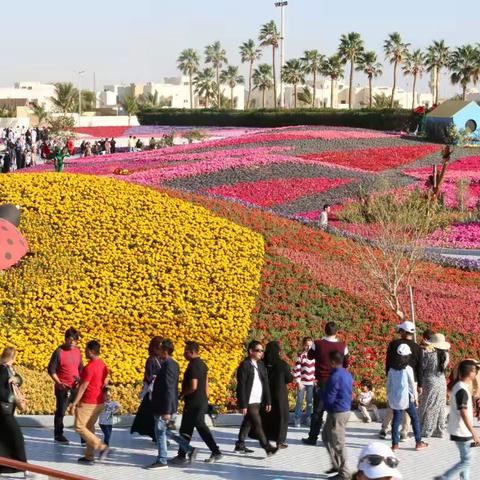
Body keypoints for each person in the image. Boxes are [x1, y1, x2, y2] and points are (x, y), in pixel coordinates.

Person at [147, 339, 197, 470]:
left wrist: (167, 411)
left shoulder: (169, 365)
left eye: (159, 349)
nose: (157, 352)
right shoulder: (171, 364)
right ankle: (189, 449)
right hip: (166, 405)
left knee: (160, 433)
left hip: (165, 407)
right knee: (166, 432)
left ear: (164, 350)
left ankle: (162, 460)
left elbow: (169, 388)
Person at [170, 341, 222, 464]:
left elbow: (193, 386)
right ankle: (182, 454)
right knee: (186, 428)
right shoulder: (203, 364)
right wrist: (206, 398)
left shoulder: (193, 366)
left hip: (193, 403)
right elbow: (206, 384)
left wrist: (183, 394)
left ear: (193, 352)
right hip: (201, 400)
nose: (184, 354)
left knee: (200, 426)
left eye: (186, 351)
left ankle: (216, 451)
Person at [303, 321, 349, 446]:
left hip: (322, 381)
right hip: (337, 381)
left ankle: (312, 438)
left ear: (325, 330)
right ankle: (333, 439)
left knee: (318, 411)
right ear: (337, 332)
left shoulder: (317, 344)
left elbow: (310, 356)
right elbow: (346, 363)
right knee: (335, 411)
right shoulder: (342, 346)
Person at [434, 359, 480, 480]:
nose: (476, 374)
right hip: (462, 431)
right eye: (476, 371)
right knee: (467, 461)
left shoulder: (459, 386)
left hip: (459, 429)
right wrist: (473, 432)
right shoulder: (462, 390)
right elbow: (463, 412)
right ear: (471, 373)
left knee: (465, 460)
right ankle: (445, 477)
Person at [379, 321, 423, 440]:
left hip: (395, 376)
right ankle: (404, 432)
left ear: (403, 332)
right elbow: (420, 367)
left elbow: (387, 361)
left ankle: (384, 428)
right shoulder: (417, 347)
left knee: (392, 404)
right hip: (411, 379)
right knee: (409, 405)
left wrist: (388, 374)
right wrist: (420, 385)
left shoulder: (394, 344)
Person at [235, 340, 277, 456]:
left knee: (248, 422)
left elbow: (266, 383)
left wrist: (268, 400)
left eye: (262, 351)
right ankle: (267, 447)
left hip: (258, 400)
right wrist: (242, 404)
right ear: (251, 351)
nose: (261, 353)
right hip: (249, 401)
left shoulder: (261, 365)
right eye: (258, 350)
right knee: (257, 424)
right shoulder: (245, 365)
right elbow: (241, 386)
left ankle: (240, 444)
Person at [72, 340, 110, 464]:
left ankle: (101, 447)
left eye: (87, 350)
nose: (85, 352)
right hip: (99, 402)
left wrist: (74, 403)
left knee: (79, 426)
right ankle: (89, 456)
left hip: (89, 402)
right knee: (89, 427)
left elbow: (83, 387)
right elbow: (103, 381)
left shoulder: (90, 367)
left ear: (92, 351)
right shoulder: (102, 364)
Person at [386, 344, 428, 452]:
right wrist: (416, 398)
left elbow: (389, 384)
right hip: (407, 398)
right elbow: (412, 385)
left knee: (396, 421)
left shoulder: (391, 369)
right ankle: (418, 443)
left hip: (395, 398)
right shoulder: (408, 369)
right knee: (414, 419)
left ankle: (395, 445)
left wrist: (389, 396)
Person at [48, 327, 83, 444]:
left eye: (75, 341)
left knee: (80, 411)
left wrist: (81, 379)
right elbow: (51, 370)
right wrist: (59, 382)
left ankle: (84, 435)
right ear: (66, 339)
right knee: (61, 411)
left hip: (76, 387)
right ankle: (58, 435)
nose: (73, 343)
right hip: (63, 388)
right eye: (71, 340)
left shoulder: (77, 351)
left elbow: (80, 368)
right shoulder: (58, 352)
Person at [322, 351, 353, 480]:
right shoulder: (347, 374)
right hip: (343, 410)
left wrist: (319, 392)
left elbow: (329, 398)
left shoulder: (334, 377)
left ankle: (344, 473)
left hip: (337, 412)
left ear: (333, 362)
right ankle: (336, 465)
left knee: (339, 443)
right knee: (326, 436)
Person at [262, 341, 293, 449]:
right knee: (282, 416)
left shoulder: (261, 363)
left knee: (266, 416)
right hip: (279, 394)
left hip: (264, 394)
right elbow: (289, 379)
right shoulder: (282, 364)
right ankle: (280, 441)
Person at [0, 347, 27, 474]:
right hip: (3, 411)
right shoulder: (2, 370)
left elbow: (19, 379)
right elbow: (1, 392)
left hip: (6, 411)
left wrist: (16, 380)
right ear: (13, 357)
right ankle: (20, 465)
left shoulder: (9, 369)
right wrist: (15, 399)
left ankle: (9, 465)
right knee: (16, 436)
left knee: (5, 438)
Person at [131, 336, 163, 441]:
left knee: (151, 415)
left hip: (158, 391)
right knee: (151, 415)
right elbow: (148, 377)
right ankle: (156, 435)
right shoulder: (151, 360)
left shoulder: (160, 359)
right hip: (152, 391)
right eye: (160, 347)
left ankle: (155, 435)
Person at [418, 333, 450, 438]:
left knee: (428, 405)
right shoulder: (446, 355)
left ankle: (427, 429)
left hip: (429, 381)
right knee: (440, 406)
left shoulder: (429, 355)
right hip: (441, 381)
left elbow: (422, 367)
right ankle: (439, 430)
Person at [294, 337, 315, 427]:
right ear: (303, 345)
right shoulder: (300, 356)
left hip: (311, 383)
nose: (308, 347)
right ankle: (297, 419)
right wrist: (298, 382)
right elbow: (297, 369)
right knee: (299, 401)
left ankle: (308, 419)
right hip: (302, 383)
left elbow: (316, 369)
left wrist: (315, 380)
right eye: (307, 345)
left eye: (310, 345)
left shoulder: (315, 356)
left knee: (309, 402)